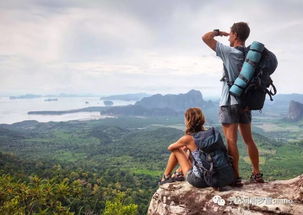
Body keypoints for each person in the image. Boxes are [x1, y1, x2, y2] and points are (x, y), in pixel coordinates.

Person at [202, 22, 264, 186]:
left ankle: (235, 177)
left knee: (231, 141)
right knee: (249, 140)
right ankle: (256, 174)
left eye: (230, 33)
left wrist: (219, 32)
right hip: (245, 103)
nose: (228, 36)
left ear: (235, 35)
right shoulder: (251, 56)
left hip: (229, 102)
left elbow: (205, 37)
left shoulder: (229, 52)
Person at [159, 107, 233, 188]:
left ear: (188, 121)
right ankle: (178, 172)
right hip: (223, 177)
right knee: (193, 151)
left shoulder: (188, 138)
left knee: (176, 150)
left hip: (201, 180)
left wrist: (184, 145)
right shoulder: (212, 134)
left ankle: (165, 177)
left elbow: (170, 147)